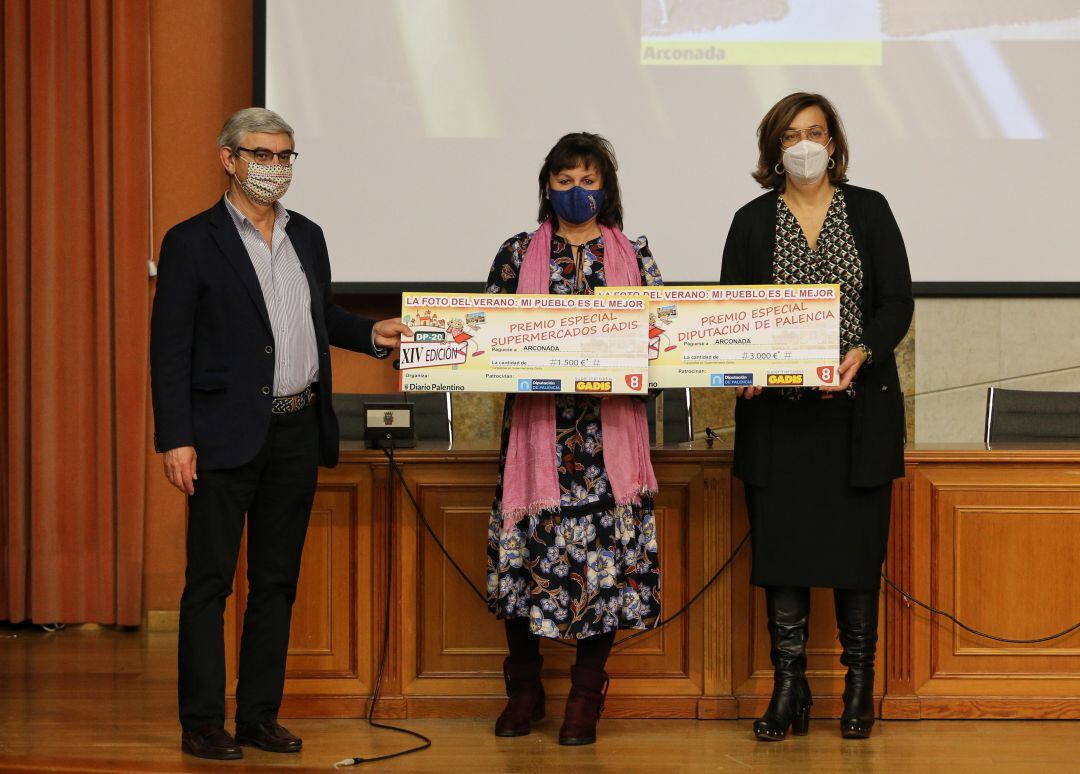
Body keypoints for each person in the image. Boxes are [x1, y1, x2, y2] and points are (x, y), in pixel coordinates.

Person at [150, 107, 411, 761]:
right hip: (221, 435)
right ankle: (203, 721)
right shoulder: (190, 242)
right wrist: (174, 438)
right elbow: (168, 349)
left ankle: (259, 716)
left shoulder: (309, 236)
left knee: (276, 583)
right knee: (210, 583)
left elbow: (320, 315)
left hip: (297, 428)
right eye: (261, 154)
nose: (275, 167)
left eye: (286, 156)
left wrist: (370, 335)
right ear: (228, 159)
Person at [719, 93, 913, 741]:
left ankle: (858, 692)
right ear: (774, 149)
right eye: (791, 136)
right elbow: (732, 318)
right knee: (784, 558)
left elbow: (896, 303)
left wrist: (866, 348)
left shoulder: (870, 210)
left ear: (834, 144)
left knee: (856, 559)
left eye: (816, 133)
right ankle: (788, 690)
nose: (804, 146)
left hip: (857, 420)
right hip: (780, 424)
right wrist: (739, 367)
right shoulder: (751, 222)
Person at [484, 132, 663, 746]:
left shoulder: (635, 258)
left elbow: (661, 344)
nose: (577, 192)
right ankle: (525, 690)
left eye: (588, 180)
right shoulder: (515, 255)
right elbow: (485, 342)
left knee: (604, 567)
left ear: (606, 187)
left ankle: (585, 696)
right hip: (537, 443)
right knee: (525, 557)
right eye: (564, 181)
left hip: (606, 447)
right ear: (547, 186)